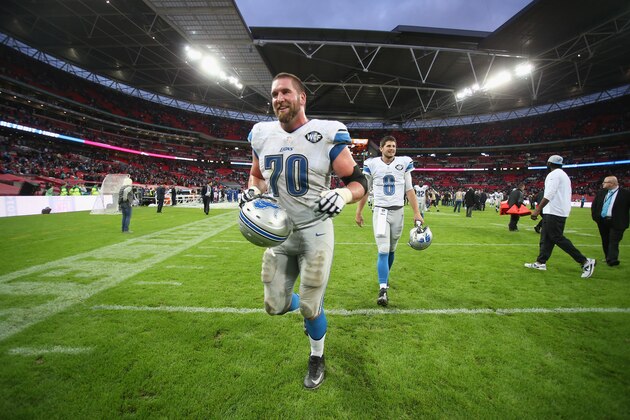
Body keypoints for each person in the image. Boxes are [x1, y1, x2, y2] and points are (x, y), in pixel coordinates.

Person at [241, 72, 367, 390]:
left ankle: (316, 355)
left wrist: (343, 194)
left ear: (301, 98)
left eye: (285, 92)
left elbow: (359, 181)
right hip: (280, 232)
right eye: (273, 94)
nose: (279, 98)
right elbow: (256, 176)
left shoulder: (326, 132)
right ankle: (305, 312)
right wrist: (254, 193)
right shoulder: (260, 134)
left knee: (312, 306)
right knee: (275, 305)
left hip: (316, 231)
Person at [355, 135, 423, 307]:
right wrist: (359, 211)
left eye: (394, 146)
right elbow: (366, 189)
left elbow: (409, 189)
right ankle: (383, 289)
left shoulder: (404, 162)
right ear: (381, 148)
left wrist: (417, 213)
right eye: (388, 146)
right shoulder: (372, 164)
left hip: (398, 212)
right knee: (383, 249)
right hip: (381, 212)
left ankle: (385, 277)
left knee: (392, 249)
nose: (391, 149)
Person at [525, 155, 595, 278]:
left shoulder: (554, 175)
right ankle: (541, 262)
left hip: (554, 211)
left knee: (556, 237)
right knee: (546, 237)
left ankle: (584, 261)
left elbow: (550, 193)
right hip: (556, 210)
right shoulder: (562, 174)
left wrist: (538, 209)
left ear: (549, 163)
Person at [590, 176, 630, 266]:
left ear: (612, 183)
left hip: (617, 221)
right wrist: (596, 217)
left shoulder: (625, 194)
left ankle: (612, 260)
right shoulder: (601, 193)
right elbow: (595, 205)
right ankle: (607, 257)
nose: (603, 184)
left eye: (605, 182)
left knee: (613, 240)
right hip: (603, 221)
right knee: (605, 240)